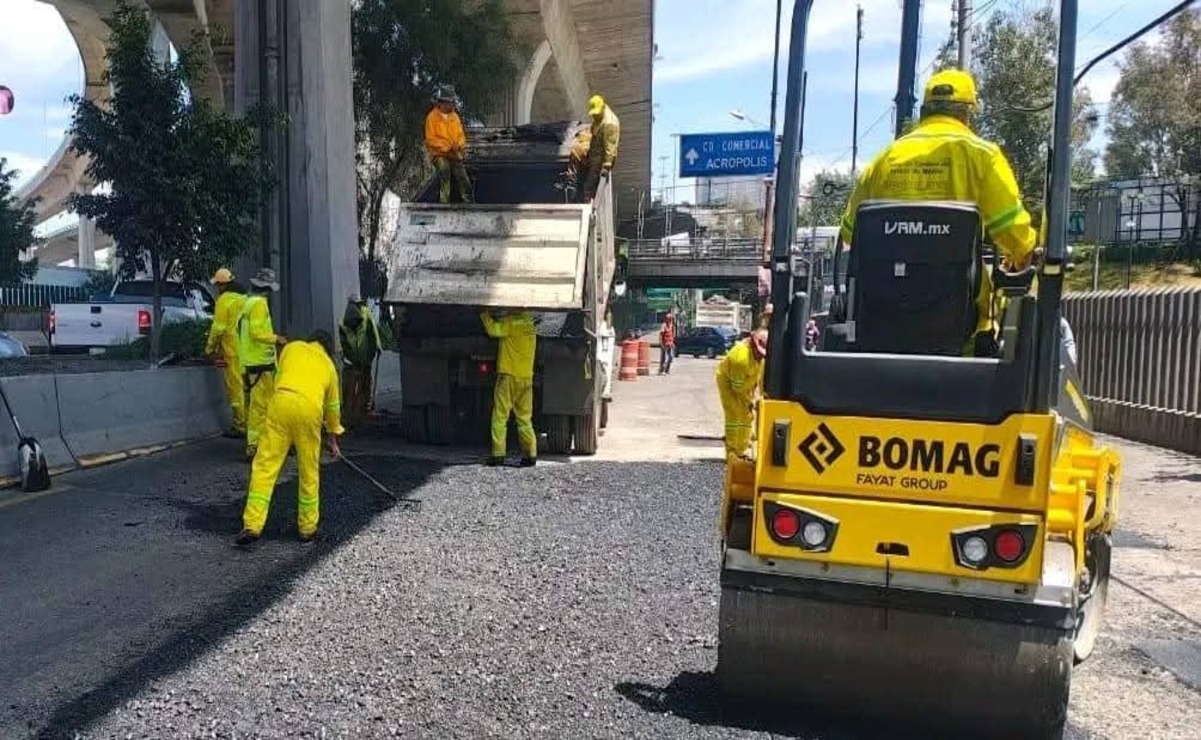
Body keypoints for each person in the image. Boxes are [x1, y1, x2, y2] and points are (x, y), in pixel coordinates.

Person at [838, 68, 1037, 356]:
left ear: (924, 112)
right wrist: (1024, 254)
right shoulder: (983, 156)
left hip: (880, 322)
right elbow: (1016, 237)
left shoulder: (882, 161)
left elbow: (849, 233)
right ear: (968, 114)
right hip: (958, 329)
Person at [236, 331, 344, 547]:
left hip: (280, 404)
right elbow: (332, 409)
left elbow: (281, 375)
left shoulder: (291, 348)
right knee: (308, 471)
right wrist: (332, 440)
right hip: (309, 410)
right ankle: (307, 528)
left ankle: (252, 524)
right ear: (328, 349)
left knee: (265, 465)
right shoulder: (329, 366)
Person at [238, 268, 287, 461]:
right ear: (265, 288)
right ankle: (254, 445)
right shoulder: (259, 304)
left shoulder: (247, 303)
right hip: (260, 363)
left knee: (259, 405)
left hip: (252, 362)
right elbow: (257, 333)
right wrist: (277, 339)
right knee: (261, 406)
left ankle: (260, 442)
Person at [481, 309, 537, 467]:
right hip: (526, 377)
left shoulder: (510, 322)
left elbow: (493, 331)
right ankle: (530, 454)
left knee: (500, 416)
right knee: (525, 418)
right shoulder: (530, 324)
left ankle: (498, 454)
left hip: (508, 375)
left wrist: (485, 315)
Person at [204, 268, 247, 439]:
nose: (217, 288)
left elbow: (218, 329)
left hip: (232, 351)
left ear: (222, 285)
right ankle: (253, 424)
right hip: (249, 351)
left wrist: (209, 349)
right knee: (249, 389)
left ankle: (240, 425)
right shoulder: (244, 298)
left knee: (235, 390)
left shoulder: (224, 301)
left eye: (218, 285)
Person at [716, 329, 768, 460]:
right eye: (760, 353)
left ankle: (741, 450)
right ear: (753, 345)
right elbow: (737, 387)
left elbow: (758, 379)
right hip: (729, 384)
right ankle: (732, 453)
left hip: (744, 386)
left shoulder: (759, 358)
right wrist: (749, 401)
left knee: (747, 416)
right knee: (733, 416)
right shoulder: (741, 358)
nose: (761, 356)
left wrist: (760, 397)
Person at [339, 293, 381, 427]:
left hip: (366, 354)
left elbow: (373, 335)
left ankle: (365, 408)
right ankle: (349, 412)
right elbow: (345, 345)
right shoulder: (343, 323)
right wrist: (353, 359)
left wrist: (373, 353)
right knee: (350, 383)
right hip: (353, 358)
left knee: (365, 381)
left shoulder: (365, 315)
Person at [425, 85, 472, 204]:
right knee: (445, 170)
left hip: (455, 153)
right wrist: (446, 148)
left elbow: (461, 136)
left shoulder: (455, 117)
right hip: (439, 155)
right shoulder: (431, 118)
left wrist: (459, 146)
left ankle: (468, 202)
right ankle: (444, 202)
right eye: (451, 102)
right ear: (442, 103)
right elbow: (431, 140)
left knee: (462, 175)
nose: (453, 105)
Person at [582, 94, 620, 203]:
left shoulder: (609, 123)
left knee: (592, 180)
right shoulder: (599, 116)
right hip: (595, 150)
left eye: (596, 113)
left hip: (601, 158)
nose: (594, 116)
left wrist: (607, 165)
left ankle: (587, 200)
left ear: (602, 107)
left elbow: (610, 146)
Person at [658, 310, 676, 375]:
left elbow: (672, 335)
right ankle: (662, 370)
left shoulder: (671, 326)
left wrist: (673, 343)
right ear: (666, 319)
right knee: (664, 358)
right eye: (669, 319)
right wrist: (661, 343)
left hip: (670, 344)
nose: (670, 320)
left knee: (671, 357)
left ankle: (667, 370)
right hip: (664, 344)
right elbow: (661, 335)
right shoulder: (664, 325)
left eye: (671, 319)